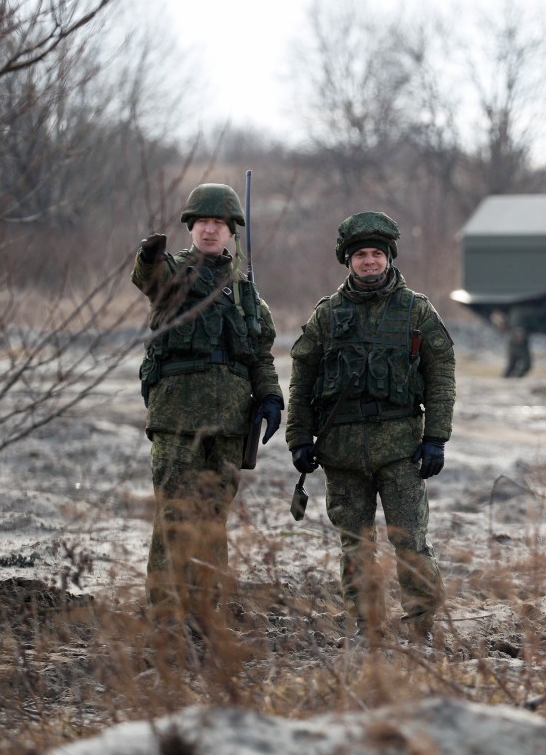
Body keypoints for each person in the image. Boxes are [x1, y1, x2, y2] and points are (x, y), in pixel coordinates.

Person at [285, 211, 456, 646]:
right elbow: (302, 379)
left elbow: (441, 375)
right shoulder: (327, 315)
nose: (369, 262)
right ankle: (367, 626)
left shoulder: (416, 310)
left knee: (411, 543)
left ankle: (421, 626)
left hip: (400, 450)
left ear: (389, 258)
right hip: (341, 454)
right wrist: (299, 438)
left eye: (376, 254)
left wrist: (436, 438)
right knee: (355, 547)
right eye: (361, 254)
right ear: (348, 260)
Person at [132, 183, 283, 621]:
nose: (211, 230)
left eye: (219, 224)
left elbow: (259, 354)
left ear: (232, 231)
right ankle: (163, 617)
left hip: (228, 424)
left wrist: (271, 395)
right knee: (174, 517)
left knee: (213, 519)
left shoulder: (246, 293)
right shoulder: (172, 274)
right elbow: (148, 279)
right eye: (203, 223)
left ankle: (204, 614)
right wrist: (147, 256)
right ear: (191, 228)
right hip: (177, 418)